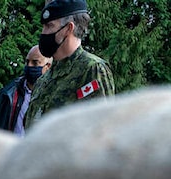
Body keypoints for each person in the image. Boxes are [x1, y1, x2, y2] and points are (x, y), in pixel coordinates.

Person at [24, 0, 115, 129]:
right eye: (44, 26)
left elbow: (102, 131)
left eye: (49, 26)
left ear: (68, 29)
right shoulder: (43, 80)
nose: (43, 33)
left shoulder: (92, 70)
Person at [0, 46, 52, 136]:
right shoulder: (8, 94)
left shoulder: (54, 94)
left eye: (35, 63)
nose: (29, 66)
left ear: (48, 67)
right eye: (27, 62)